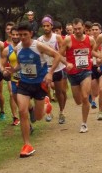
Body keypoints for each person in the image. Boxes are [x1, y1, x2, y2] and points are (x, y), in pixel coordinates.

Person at [5, 21, 61, 157]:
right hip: (24, 83)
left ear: (31, 34)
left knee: (38, 117)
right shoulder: (18, 47)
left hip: (39, 84)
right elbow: (21, 65)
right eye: (20, 34)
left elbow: (57, 56)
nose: (22, 37)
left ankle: (46, 104)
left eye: (25, 34)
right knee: (22, 111)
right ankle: (27, 145)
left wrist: (50, 72)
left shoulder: (39, 46)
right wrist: (12, 70)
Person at [59, 18, 98, 133]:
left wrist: (100, 57)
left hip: (86, 71)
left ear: (83, 28)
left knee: (85, 97)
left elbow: (93, 52)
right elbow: (59, 55)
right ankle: (85, 104)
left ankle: (84, 123)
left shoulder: (90, 40)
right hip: (72, 74)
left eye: (79, 28)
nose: (77, 31)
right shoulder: (67, 40)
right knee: (78, 100)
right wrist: (67, 63)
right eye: (75, 29)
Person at [38, 16, 67, 124]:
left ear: (51, 26)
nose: (46, 28)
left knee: (59, 92)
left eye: (47, 26)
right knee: (46, 92)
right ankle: (48, 112)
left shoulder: (57, 38)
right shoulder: (39, 40)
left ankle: (62, 111)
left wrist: (65, 63)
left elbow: (61, 54)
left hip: (58, 68)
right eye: (44, 26)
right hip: (45, 69)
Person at [0, 26, 21, 126]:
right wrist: (4, 71)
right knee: (13, 95)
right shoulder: (7, 50)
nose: (16, 36)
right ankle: (15, 117)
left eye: (18, 34)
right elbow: (2, 65)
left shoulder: (26, 46)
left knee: (27, 101)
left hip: (28, 77)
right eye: (14, 34)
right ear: (10, 35)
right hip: (15, 78)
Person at [90, 22, 102, 120]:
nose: (95, 31)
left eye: (97, 29)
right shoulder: (89, 41)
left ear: (100, 31)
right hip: (92, 68)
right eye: (93, 30)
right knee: (94, 92)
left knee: (101, 89)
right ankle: (92, 100)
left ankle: (100, 112)